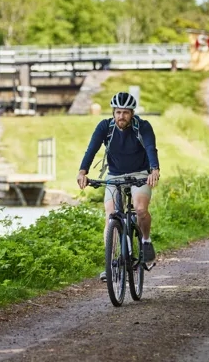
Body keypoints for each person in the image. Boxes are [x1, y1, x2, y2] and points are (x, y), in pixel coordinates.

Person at [77, 91, 160, 280]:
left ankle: (146, 241)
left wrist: (154, 169)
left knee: (140, 209)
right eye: (118, 112)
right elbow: (92, 149)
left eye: (125, 112)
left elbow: (150, 148)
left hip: (140, 174)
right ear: (113, 112)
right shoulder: (105, 127)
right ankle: (112, 263)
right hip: (114, 174)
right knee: (111, 215)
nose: (121, 116)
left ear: (132, 113)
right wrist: (83, 171)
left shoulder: (143, 127)